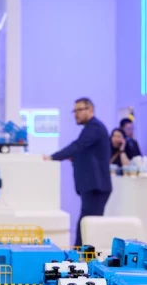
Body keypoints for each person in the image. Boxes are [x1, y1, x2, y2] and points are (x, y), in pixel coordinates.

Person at [44, 98, 112, 247]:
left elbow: (78, 146)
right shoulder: (92, 128)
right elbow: (86, 152)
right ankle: (80, 256)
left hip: (96, 186)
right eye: (74, 111)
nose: (76, 114)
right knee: (86, 225)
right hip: (93, 186)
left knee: (88, 227)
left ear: (90, 110)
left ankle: (81, 257)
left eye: (79, 110)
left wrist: (53, 157)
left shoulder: (94, 127)